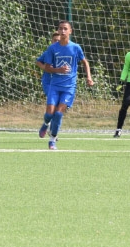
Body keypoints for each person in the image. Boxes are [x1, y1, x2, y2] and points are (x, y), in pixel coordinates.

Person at [36, 20, 94, 150]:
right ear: (58, 30)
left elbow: (85, 62)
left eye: (65, 29)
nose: (62, 31)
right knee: (49, 114)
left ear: (70, 31)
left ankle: (52, 140)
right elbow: (47, 67)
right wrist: (59, 70)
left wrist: (89, 77)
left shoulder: (75, 47)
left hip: (69, 87)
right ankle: (45, 123)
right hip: (54, 86)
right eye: (60, 28)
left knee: (58, 114)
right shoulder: (52, 48)